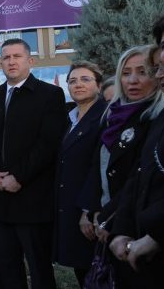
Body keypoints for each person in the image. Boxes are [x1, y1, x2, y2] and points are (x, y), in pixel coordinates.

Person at [0, 38, 67, 289]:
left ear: (30, 61)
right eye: (6, 57)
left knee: (39, 268)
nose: (11, 61)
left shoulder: (50, 95)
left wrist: (19, 177)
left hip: (31, 199)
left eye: (17, 56)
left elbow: (48, 144)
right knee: (5, 269)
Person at [79, 45, 164, 287]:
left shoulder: (157, 120)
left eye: (143, 71)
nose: (133, 80)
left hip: (137, 228)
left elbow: (137, 179)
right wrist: (92, 210)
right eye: (126, 73)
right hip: (106, 223)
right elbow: (99, 167)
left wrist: (110, 219)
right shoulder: (112, 115)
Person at [109, 9, 164, 288]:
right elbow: (139, 176)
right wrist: (119, 230)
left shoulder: (153, 116)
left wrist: (157, 235)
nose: (162, 70)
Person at [53, 61, 107, 286]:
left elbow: (99, 166)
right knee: (83, 272)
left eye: (85, 79)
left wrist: (89, 209)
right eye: (73, 81)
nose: (78, 85)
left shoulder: (105, 116)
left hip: (91, 212)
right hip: (69, 206)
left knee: (97, 272)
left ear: (99, 85)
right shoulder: (71, 118)